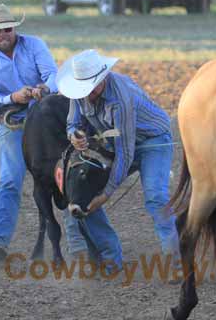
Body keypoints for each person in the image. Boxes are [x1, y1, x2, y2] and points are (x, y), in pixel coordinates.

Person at [56, 49, 180, 269]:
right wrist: (75, 136)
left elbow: (125, 152)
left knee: (155, 197)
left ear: (103, 77)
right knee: (83, 196)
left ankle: (175, 262)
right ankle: (111, 259)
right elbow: (72, 124)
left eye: (92, 87)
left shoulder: (121, 98)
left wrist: (105, 194)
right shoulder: (79, 95)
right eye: (84, 88)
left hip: (153, 141)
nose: (89, 93)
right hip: (117, 141)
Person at [0, 4, 58, 260]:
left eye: (7, 29)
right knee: (10, 181)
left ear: (14, 29)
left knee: (64, 180)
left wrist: (44, 88)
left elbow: (53, 75)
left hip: (43, 123)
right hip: (13, 122)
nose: (2, 34)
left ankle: (80, 243)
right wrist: (13, 97)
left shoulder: (34, 45)